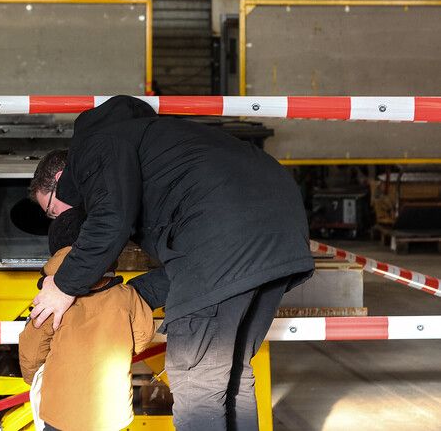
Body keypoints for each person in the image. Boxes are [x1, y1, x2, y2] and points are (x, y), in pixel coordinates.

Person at [28, 95, 314, 431]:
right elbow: (184, 268)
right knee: (232, 375)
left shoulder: (94, 146)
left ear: (62, 176)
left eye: (51, 210)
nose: (58, 219)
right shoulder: (150, 147)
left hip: (226, 237)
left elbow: (110, 221)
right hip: (279, 231)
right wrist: (129, 297)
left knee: (197, 380)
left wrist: (62, 287)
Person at [19, 207, 155, 431]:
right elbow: (143, 335)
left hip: (60, 413)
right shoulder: (125, 295)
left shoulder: (51, 300)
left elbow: (32, 350)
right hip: (111, 416)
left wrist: (36, 377)